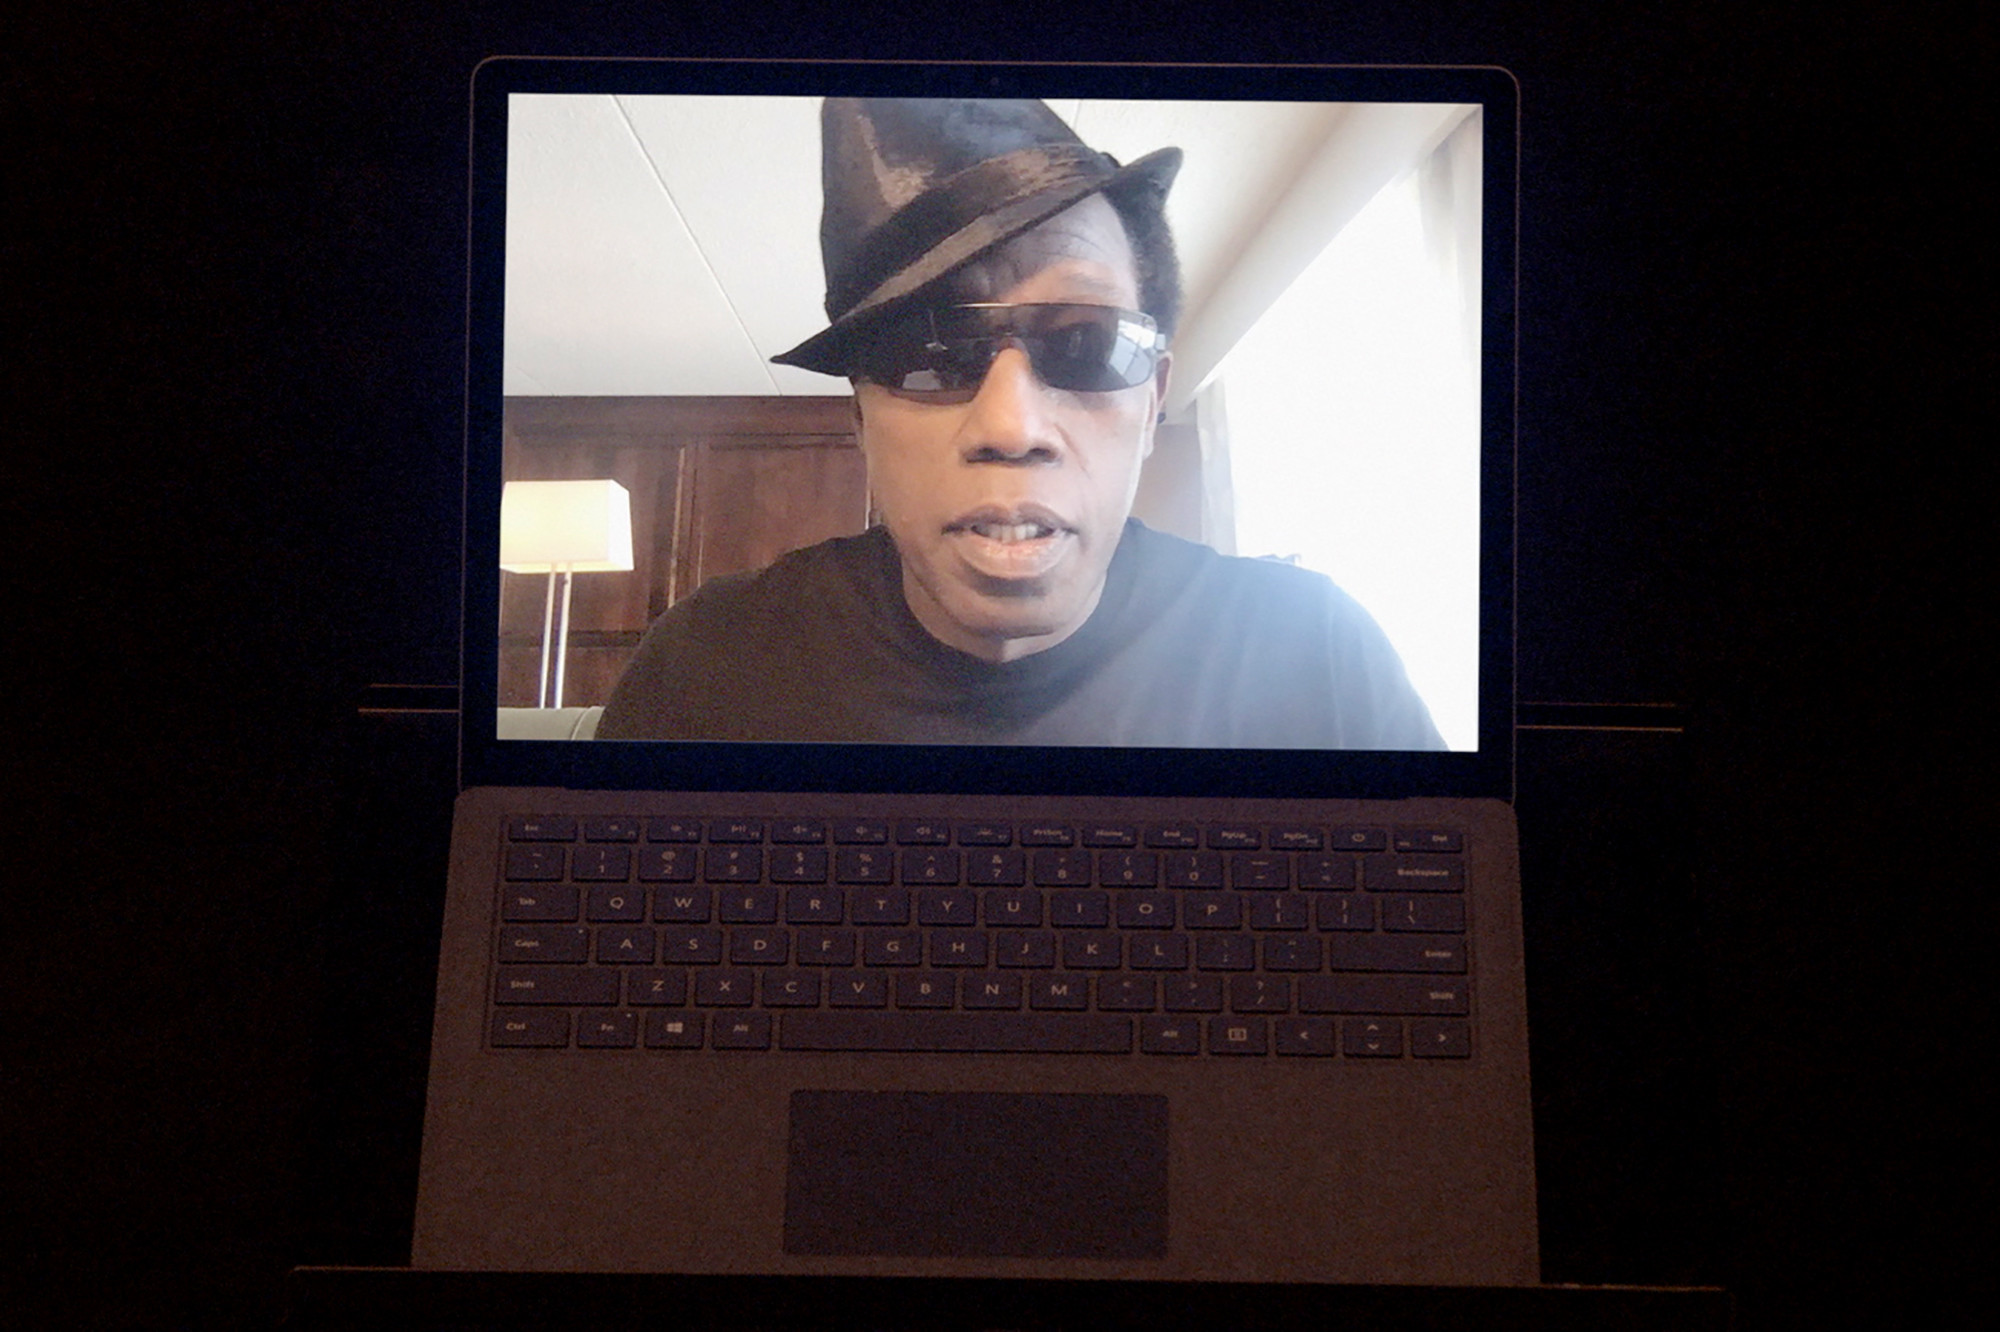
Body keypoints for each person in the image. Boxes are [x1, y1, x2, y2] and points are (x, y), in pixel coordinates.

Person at [597, 98, 1443, 750]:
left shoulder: (1321, 662)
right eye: (927, 355)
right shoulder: (705, 668)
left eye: (1085, 345)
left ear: (1153, 403)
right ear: (860, 420)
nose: (1010, 426)